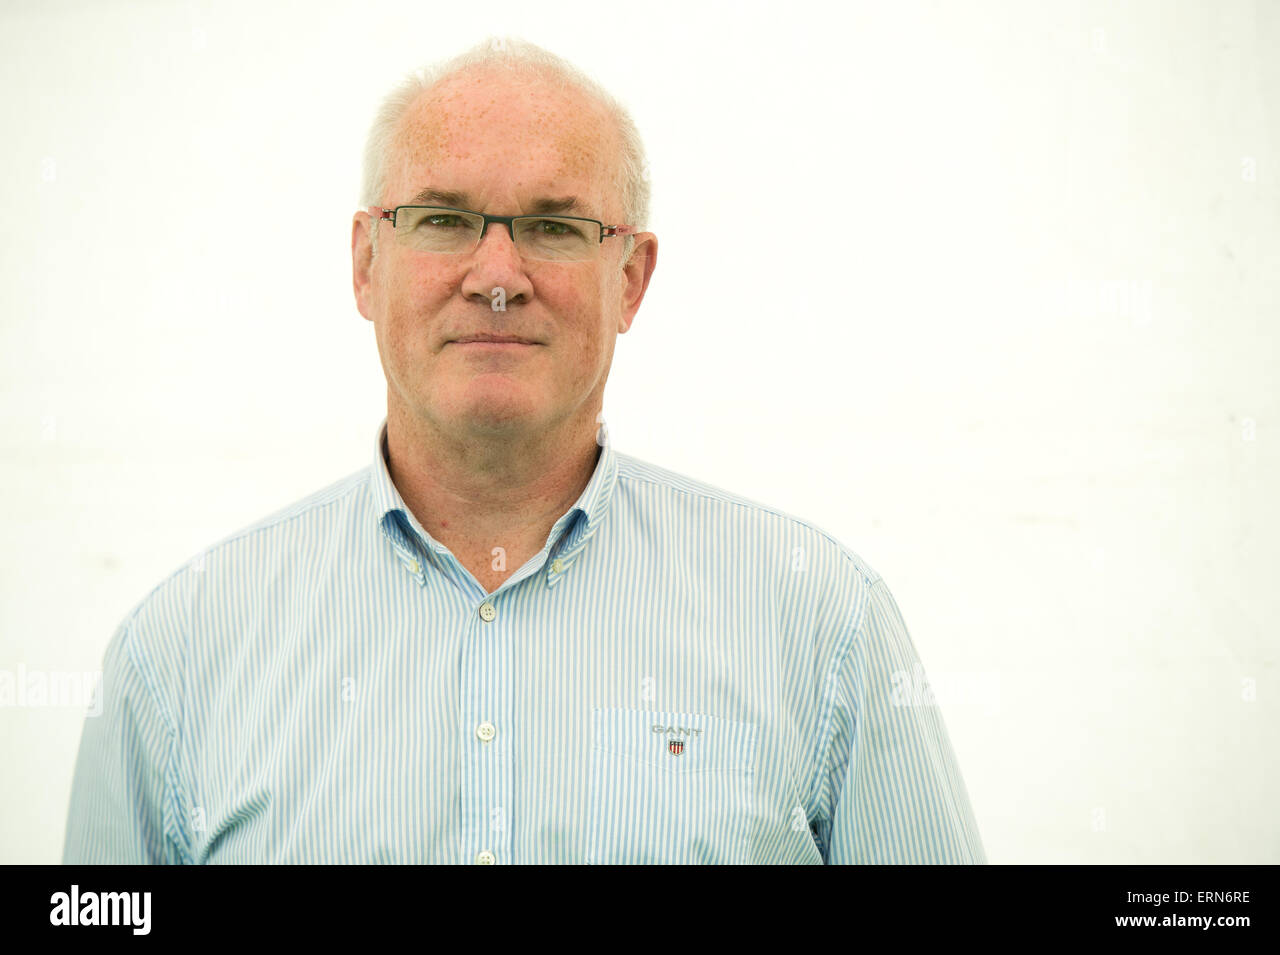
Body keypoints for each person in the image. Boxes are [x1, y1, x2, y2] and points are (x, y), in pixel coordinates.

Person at [62, 36, 986, 865]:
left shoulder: (819, 624)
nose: (498, 278)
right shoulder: (178, 656)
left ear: (631, 279)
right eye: (442, 218)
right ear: (365, 263)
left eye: (554, 226)